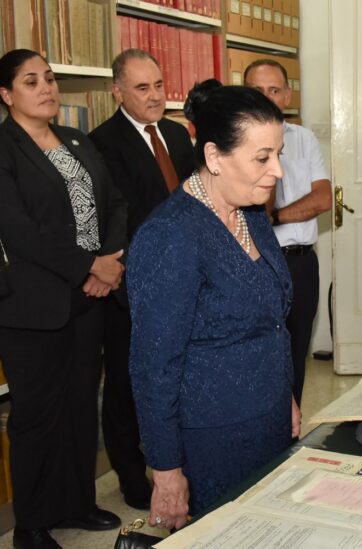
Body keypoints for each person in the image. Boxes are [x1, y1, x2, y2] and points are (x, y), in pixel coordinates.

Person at [128, 80, 300, 529]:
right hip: (214, 440)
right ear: (212, 157)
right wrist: (166, 472)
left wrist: (287, 397)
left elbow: (271, 323)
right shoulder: (171, 235)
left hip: (270, 420)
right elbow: (153, 366)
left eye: (278, 154)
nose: (277, 171)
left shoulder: (250, 211)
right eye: (262, 158)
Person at [0, 49, 126, 549]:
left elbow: (114, 201)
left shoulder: (75, 140)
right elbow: (18, 229)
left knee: (79, 406)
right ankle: (31, 523)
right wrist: (87, 266)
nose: (47, 87)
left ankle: (76, 501)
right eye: (31, 81)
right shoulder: (4, 147)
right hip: (32, 307)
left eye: (49, 78)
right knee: (35, 417)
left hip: (88, 298)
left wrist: (110, 262)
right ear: (7, 95)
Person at [89, 48, 195, 511]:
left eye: (158, 85)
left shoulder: (177, 133)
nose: (155, 97)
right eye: (142, 88)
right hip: (133, 283)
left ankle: (176, 461)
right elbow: (115, 220)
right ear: (118, 92)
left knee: (181, 374)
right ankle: (132, 476)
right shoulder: (101, 143)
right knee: (128, 384)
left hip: (188, 276)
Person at [244, 59, 331, 406]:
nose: (266, 97)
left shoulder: (304, 138)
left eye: (274, 90)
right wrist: (291, 211)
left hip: (299, 263)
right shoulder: (234, 142)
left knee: (297, 349)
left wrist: (276, 217)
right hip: (257, 262)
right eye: (256, 91)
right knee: (258, 351)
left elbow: (323, 198)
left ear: (287, 95)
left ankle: (290, 431)